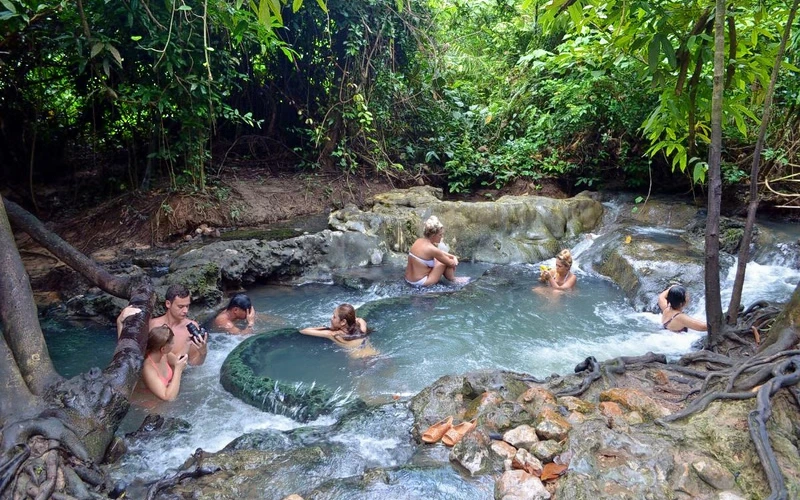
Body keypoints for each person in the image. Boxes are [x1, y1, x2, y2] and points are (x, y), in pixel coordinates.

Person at [149, 284, 208, 365]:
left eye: (187, 306)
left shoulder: (191, 328)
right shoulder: (153, 325)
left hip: (182, 371)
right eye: (181, 306)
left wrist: (203, 353)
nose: (185, 311)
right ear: (168, 304)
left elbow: (194, 363)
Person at [299, 303, 377, 358]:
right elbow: (360, 319)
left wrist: (327, 328)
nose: (331, 318)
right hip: (375, 355)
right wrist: (350, 320)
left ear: (343, 322)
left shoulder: (334, 335)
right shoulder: (361, 329)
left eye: (334, 317)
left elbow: (303, 331)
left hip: (359, 362)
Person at [405, 215, 463, 287]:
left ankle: (452, 279)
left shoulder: (418, 241)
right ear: (433, 235)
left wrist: (452, 256)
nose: (442, 237)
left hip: (408, 279)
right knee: (444, 262)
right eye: (440, 235)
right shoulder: (432, 249)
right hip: (420, 282)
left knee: (440, 259)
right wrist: (454, 260)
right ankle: (453, 280)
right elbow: (451, 264)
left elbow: (438, 252)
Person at [140, 325, 188, 401]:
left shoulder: (164, 355)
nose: (173, 345)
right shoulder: (148, 368)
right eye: (172, 343)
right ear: (163, 349)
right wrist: (178, 370)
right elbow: (168, 398)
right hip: (151, 405)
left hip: (164, 400)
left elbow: (179, 362)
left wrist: (188, 344)